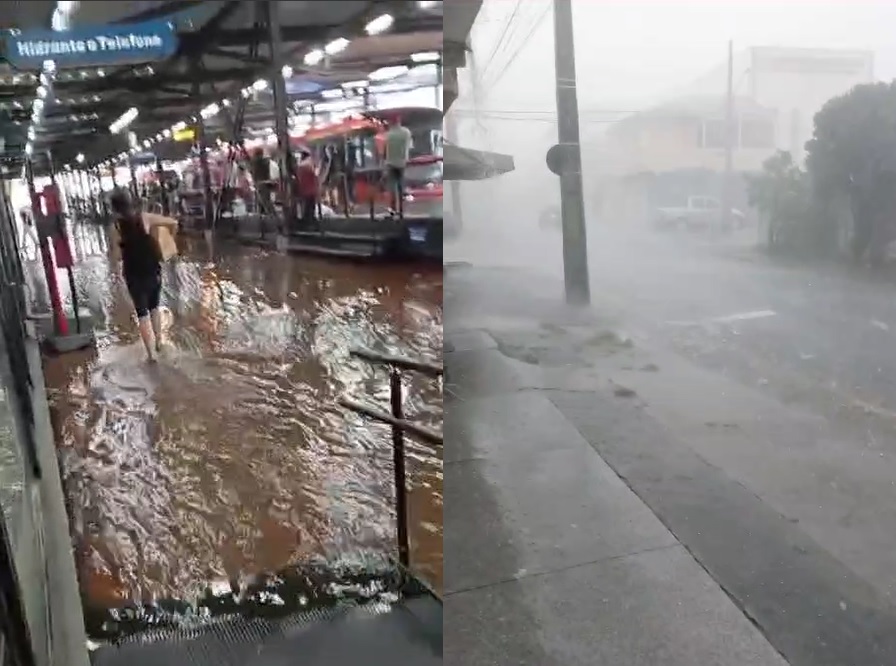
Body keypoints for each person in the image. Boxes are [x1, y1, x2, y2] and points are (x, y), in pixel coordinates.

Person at [109, 188, 174, 362]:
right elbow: (171, 222)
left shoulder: (115, 227)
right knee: (154, 308)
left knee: (142, 314)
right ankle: (159, 341)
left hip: (133, 274)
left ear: (114, 208)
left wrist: (116, 274)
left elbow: (116, 256)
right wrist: (166, 243)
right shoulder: (145, 218)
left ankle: (151, 355)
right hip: (152, 269)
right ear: (131, 201)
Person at [382, 117, 413, 217]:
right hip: (402, 163)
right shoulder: (406, 132)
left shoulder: (388, 134)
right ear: (399, 122)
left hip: (390, 163)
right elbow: (409, 146)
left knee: (392, 187)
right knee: (401, 185)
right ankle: (401, 209)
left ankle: (393, 208)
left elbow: (385, 150)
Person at [296, 149, 319, 227]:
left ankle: (305, 223)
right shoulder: (311, 164)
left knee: (305, 208)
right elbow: (315, 176)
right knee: (310, 208)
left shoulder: (301, 165)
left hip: (303, 190)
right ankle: (310, 223)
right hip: (311, 190)